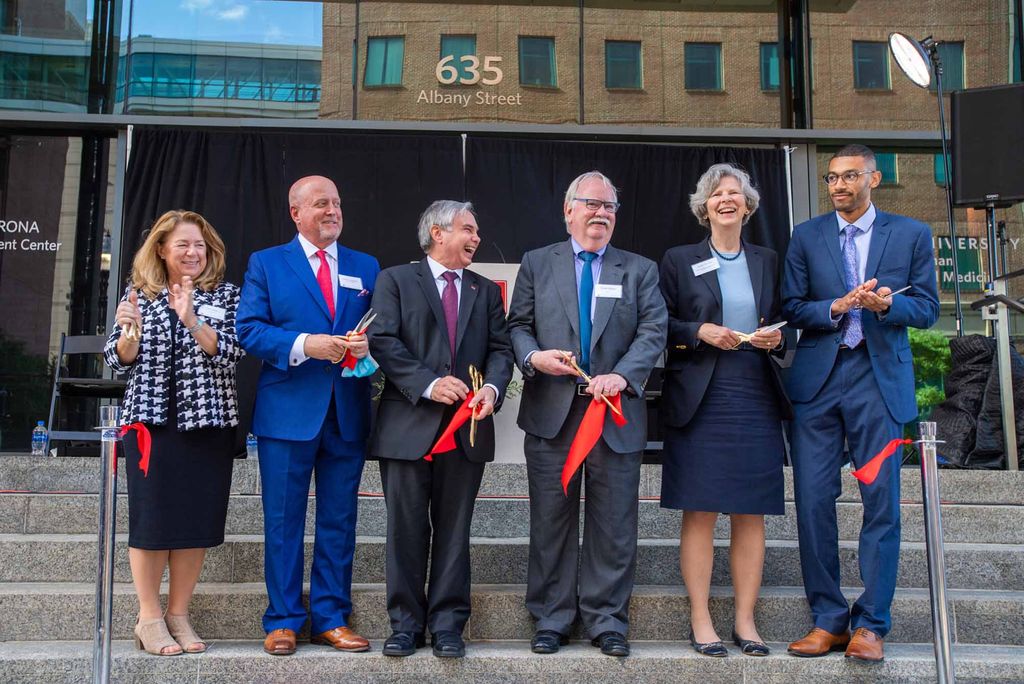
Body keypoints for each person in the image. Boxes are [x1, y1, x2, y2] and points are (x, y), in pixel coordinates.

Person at [782, 144, 939, 662]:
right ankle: (827, 619)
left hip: (878, 382)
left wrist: (888, 304)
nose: (839, 186)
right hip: (819, 383)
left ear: (873, 178)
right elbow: (792, 306)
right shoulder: (806, 236)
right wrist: (835, 305)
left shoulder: (912, 233)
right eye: (831, 178)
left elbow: (928, 308)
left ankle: (872, 623)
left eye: (849, 176)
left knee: (882, 506)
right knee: (812, 502)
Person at [507, 171, 667, 658]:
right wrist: (533, 358)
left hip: (613, 414)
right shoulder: (538, 263)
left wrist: (622, 375)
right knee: (550, 520)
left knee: (614, 523)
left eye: (610, 207)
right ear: (568, 211)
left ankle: (606, 619)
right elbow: (517, 325)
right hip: (553, 412)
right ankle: (551, 618)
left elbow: (653, 329)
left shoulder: (639, 269)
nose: (601, 214)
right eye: (592, 204)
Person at [236, 175, 380, 656]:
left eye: (337, 203)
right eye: (321, 204)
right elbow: (249, 331)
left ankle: (331, 618)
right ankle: (282, 620)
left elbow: (382, 330)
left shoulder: (366, 266)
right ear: (295, 212)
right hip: (286, 413)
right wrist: (304, 344)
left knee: (340, 520)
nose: (332, 211)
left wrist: (365, 345)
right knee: (282, 520)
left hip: (346, 412)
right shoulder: (267, 264)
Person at [368, 200, 514, 659]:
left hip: (466, 431)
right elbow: (383, 340)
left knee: (455, 530)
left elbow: (501, 349)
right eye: (468, 230)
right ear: (437, 232)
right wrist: (428, 383)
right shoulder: (394, 280)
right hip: (407, 428)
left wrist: (491, 389)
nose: (475, 238)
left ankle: (449, 625)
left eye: (476, 231)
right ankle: (405, 625)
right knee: (405, 530)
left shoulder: (486, 290)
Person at [658, 163, 792, 658]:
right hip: (700, 392)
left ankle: (746, 621)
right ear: (704, 206)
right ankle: (700, 619)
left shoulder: (767, 258)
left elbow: (787, 316)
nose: (726, 200)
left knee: (750, 511)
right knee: (700, 509)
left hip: (754, 387)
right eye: (717, 194)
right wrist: (698, 330)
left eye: (735, 193)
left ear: (749, 205)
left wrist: (779, 336)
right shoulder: (678, 258)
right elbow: (660, 320)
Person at [103, 209, 244, 656]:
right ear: (161, 249)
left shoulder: (227, 295)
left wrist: (192, 319)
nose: (192, 252)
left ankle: (179, 613)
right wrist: (130, 333)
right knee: (153, 520)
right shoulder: (138, 294)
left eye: (200, 245)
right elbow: (117, 357)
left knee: (194, 521)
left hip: (208, 424)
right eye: (183, 244)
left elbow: (234, 352)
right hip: (150, 424)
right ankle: (149, 617)